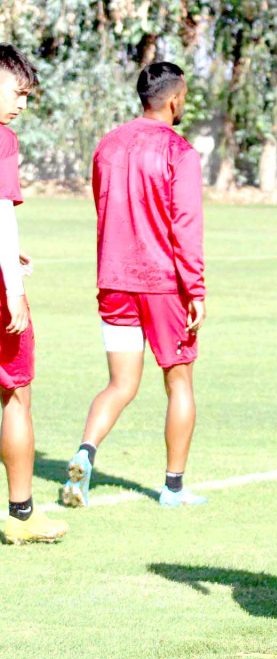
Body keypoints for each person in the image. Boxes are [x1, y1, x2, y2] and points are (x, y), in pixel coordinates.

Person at [60, 61, 207, 509]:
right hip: (163, 283)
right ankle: (173, 488)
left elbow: (103, 206)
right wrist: (195, 289)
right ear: (175, 99)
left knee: (120, 384)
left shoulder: (108, 145)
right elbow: (186, 225)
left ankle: (85, 452)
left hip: (114, 278)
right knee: (179, 383)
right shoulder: (179, 152)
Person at [0, 44, 67, 544]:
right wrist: (14, 283)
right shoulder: (3, 140)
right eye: (17, 92)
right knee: (16, 394)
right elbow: (1, 212)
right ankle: (21, 516)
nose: (22, 104)